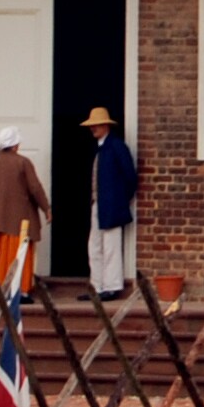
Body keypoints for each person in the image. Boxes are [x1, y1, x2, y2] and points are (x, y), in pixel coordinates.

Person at [0, 125, 46, 298]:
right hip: (19, 222)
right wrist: (46, 208)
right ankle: (19, 290)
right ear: (15, 145)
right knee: (17, 252)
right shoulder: (23, 162)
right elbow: (35, 188)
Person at [79, 106, 139, 300]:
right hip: (98, 203)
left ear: (105, 125)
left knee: (111, 245)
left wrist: (122, 198)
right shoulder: (101, 149)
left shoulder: (116, 146)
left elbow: (130, 176)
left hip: (112, 204)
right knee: (94, 245)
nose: (93, 129)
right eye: (92, 125)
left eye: (96, 125)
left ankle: (111, 286)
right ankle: (97, 286)